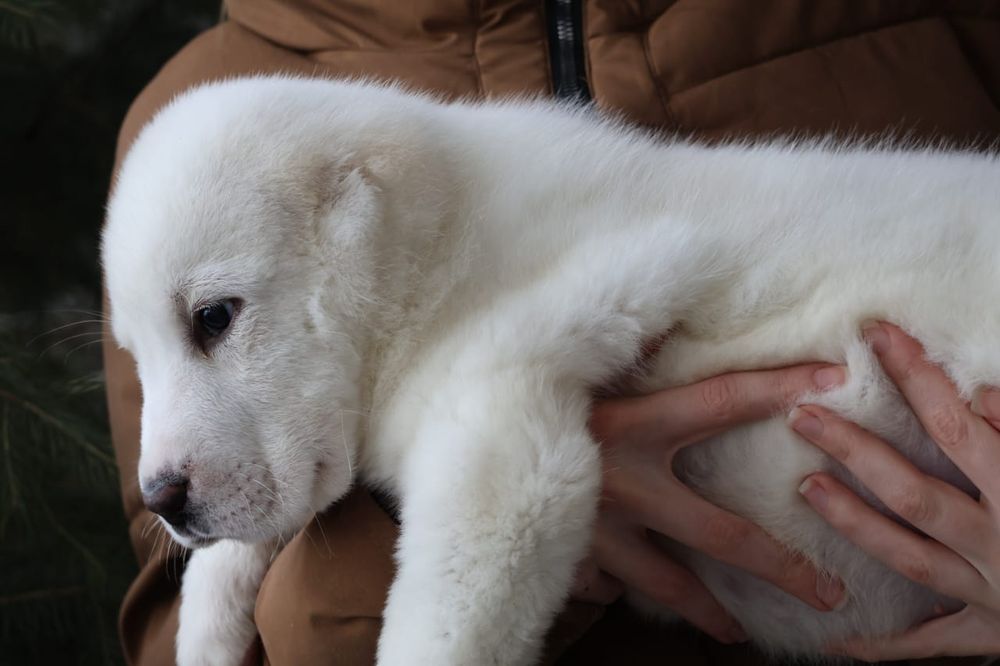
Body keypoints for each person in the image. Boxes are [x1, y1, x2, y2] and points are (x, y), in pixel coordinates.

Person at [102, 2, 1000, 664]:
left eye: (216, 319)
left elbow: (500, 460)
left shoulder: (469, 221)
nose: (161, 470)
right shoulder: (208, 135)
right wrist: (240, 578)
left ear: (357, 208)